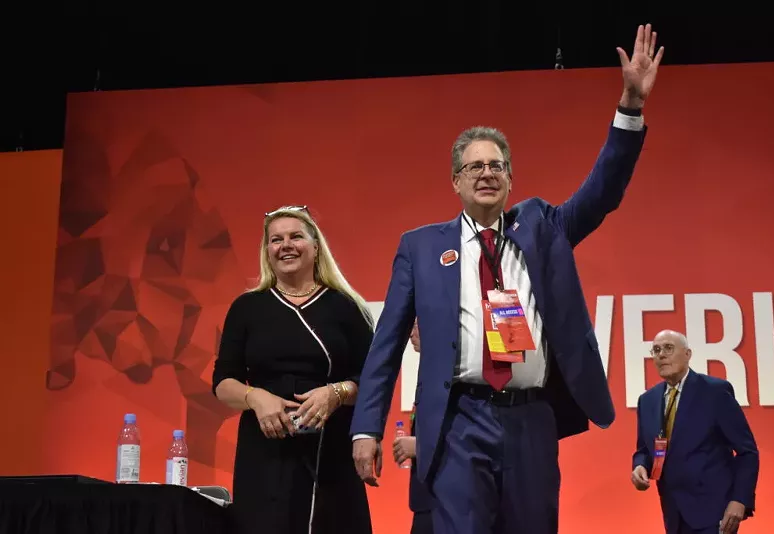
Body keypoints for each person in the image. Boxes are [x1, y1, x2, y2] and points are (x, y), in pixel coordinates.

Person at [351, 24, 664, 534]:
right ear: (455, 181)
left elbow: (602, 192)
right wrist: (366, 427)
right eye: (473, 167)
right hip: (458, 419)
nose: (486, 173)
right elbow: (385, 347)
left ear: (511, 179)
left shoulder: (542, 226)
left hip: (531, 420)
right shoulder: (422, 247)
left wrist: (630, 107)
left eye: (496, 165)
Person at [212, 206, 374, 534]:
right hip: (266, 451)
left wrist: (336, 393)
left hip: (331, 451)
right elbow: (223, 382)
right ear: (267, 253)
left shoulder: (345, 307)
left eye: (296, 236)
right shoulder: (247, 308)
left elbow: (373, 380)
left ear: (316, 248)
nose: (286, 245)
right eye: (276, 240)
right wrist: (255, 397)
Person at [631, 330, 759, 534]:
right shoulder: (647, 400)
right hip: (673, 515)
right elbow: (645, 449)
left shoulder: (715, 392)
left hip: (715, 512)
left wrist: (740, 500)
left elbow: (747, 452)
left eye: (668, 348)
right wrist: (639, 466)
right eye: (656, 350)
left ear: (688, 354)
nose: (661, 354)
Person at [392, 320, 435, 534]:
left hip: (445, 502)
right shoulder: (427, 372)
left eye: (418, 324)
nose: (411, 332)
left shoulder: (456, 378)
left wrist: (420, 447)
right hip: (424, 499)